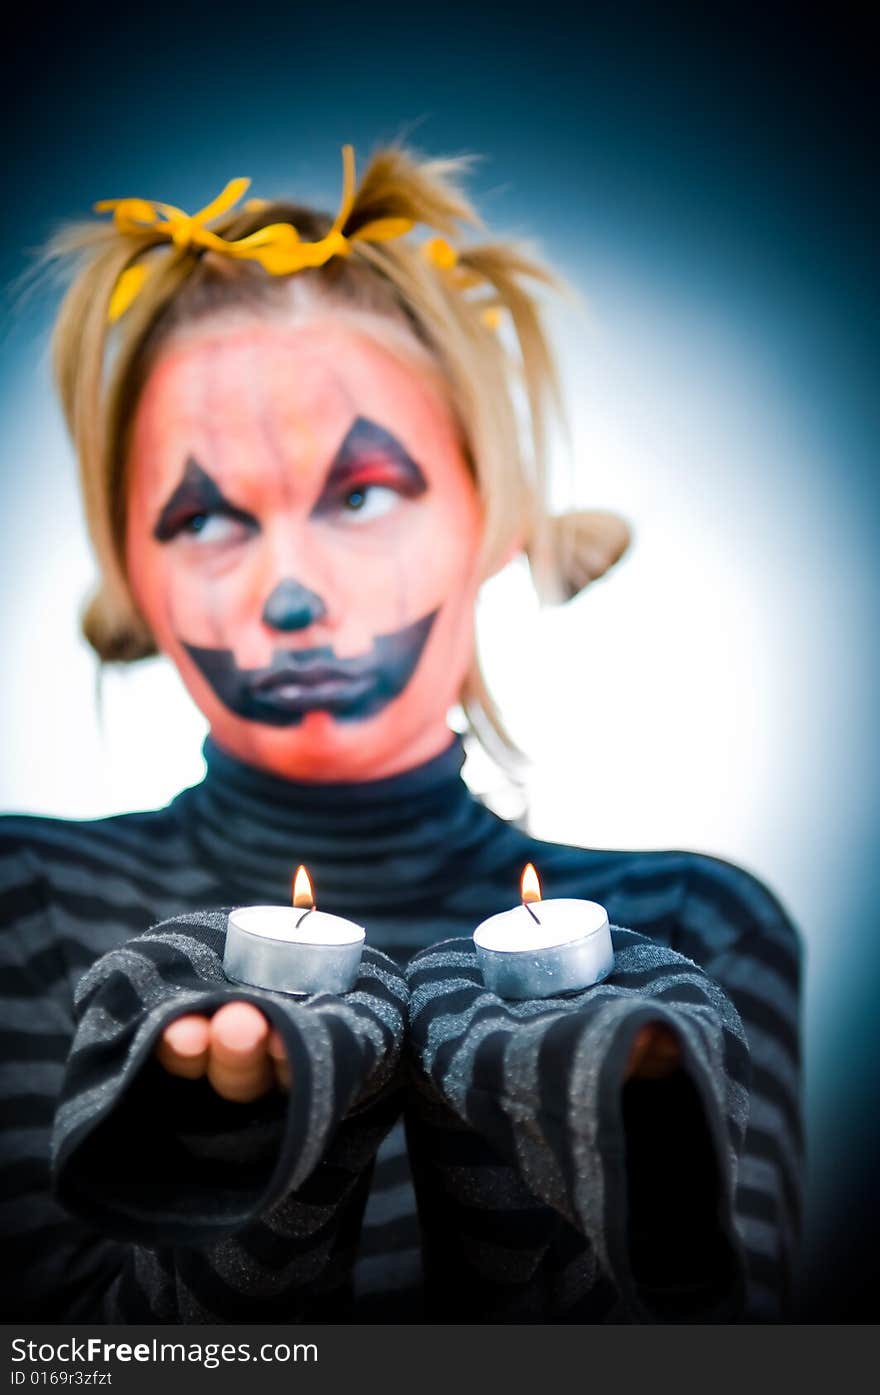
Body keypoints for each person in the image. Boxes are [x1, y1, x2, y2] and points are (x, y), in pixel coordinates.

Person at [0, 143, 803, 1323]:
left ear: (492, 512)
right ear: (133, 570)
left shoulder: (690, 936)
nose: (289, 593)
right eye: (207, 517)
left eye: (362, 493)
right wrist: (251, 1191)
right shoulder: (22, 901)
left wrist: (555, 1182)